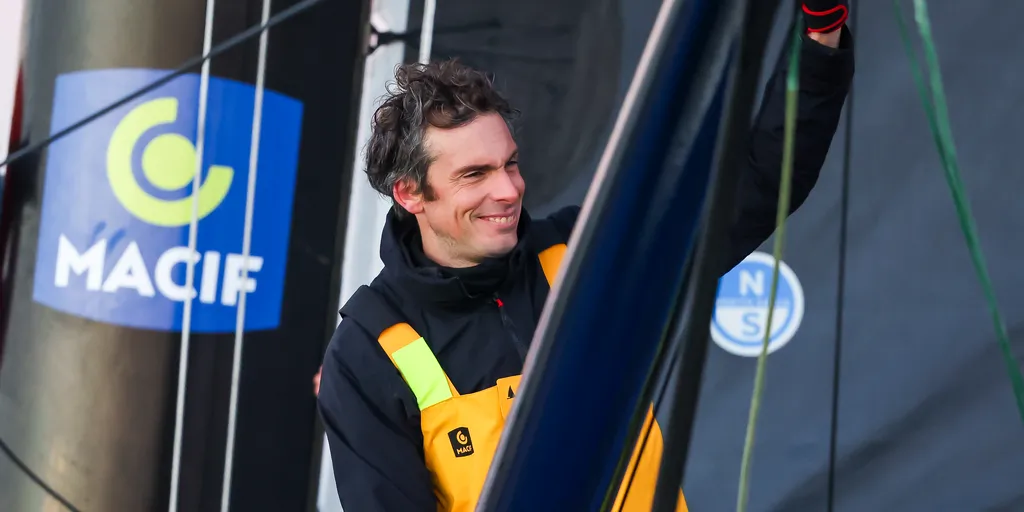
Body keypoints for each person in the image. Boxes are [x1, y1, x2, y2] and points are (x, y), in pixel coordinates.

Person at [317, 2, 855, 510]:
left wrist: (820, 34)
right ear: (411, 194)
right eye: (474, 175)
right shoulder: (369, 350)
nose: (507, 190)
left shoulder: (580, 255)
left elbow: (756, 186)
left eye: (510, 164)